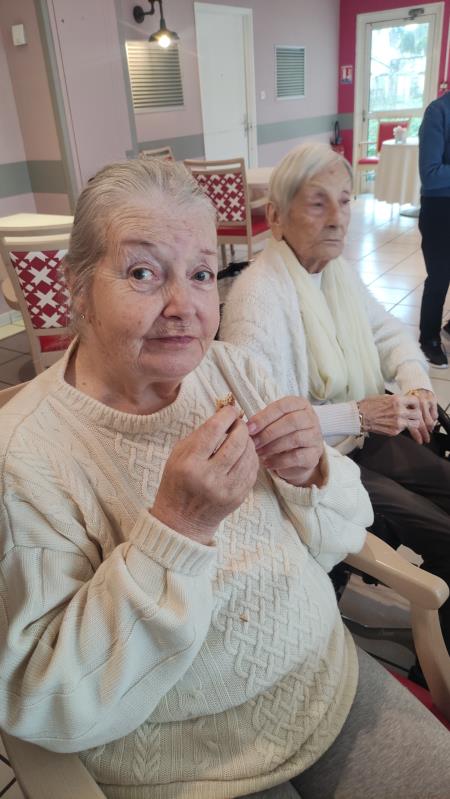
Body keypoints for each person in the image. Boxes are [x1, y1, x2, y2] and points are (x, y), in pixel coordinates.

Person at [0, 159, 449, 799]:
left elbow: (336, 536)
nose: (183, 307)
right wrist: (178, 528)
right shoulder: (24, 458)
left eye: (202, 274)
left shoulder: (236, 371)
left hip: (327, 678)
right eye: (142, 273)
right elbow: (48, 698)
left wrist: (311, 473)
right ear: (77, 288)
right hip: (190, 761)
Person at [220, 142, 450, 664]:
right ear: (276, 217)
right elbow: (263, 427)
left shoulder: (335, 272)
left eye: (344, 201)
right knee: (441, 530)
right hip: (315, 469)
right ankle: (436, 652)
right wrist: (360, 414)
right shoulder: (259, 297)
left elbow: (387, 331)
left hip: (359, 441)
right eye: (317, 202)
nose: (337, 218)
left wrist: (416, 382)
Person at [418, 90, 450, 368]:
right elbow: (430, 175)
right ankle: (428, 339)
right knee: (439, 278)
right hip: (440, 209)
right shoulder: (438, 112)